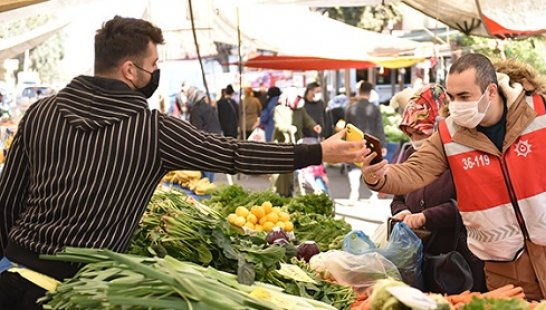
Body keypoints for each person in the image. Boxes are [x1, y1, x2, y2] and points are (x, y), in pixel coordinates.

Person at [0, 16, 367, 309]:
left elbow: (9, 197)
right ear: (130, 70)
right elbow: (233, 153)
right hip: (73, 292)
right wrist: (319, 152)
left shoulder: (42, 112)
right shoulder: (151, 130)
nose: (156, 72)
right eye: (153, 64)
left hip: (12, 274)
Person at [361, 53, 546, 301]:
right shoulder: (449, 134)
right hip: (508, 271)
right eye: (451, 97)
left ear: (491, 91)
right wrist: (379, 176)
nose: (456, 105)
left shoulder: (543, 111)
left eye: (464, 96)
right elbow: (415, 171)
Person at [392, 84, 486, 293]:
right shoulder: (409, 156)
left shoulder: (461, 156)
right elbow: (398, 197)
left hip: (459, 260)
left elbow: (469, 205)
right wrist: (402, 211)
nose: (415, 139)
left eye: (420, 132)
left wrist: (427, 216)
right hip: (420, 259)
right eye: (411, 133)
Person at [273, 87, 322, 197]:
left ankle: (294, 190)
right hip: (282, 144)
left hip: (297, 142)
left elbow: (307, 120)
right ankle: (282, 192)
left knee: (296, 169)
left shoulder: (300, 110)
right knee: (283, 171)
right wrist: (288, 128)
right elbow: (278, 125)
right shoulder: (279, 109)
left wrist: (314, 126)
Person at [345, 81, 385, 202]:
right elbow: (379, 127)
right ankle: (373, 195)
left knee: (353, 167)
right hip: (371, 142)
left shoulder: (350, 108)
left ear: (359, 91)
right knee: (372, 167)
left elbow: (347, 128)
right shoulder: (375, 108)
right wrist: (382, 144)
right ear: (370, 93)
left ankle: (354, 193)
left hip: (355, 142)